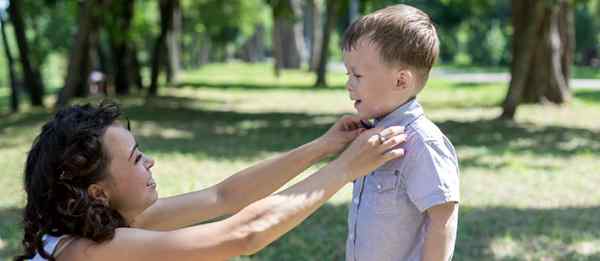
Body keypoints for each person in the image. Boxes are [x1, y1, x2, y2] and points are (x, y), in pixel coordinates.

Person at [16, 102, 407, 261]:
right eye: (136, 159)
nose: (150, 162)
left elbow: (224, 196)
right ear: (98, 193)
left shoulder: (101, 223)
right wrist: (344, 170)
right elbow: (243, 235)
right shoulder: (89, 251)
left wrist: (323, 147)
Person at [342, 4, 460, 261]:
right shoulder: (370, 137)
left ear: (401, 81)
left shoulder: (422, 143)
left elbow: (443, 218)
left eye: (357, 75)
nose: (348, 84)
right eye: (347, 73)